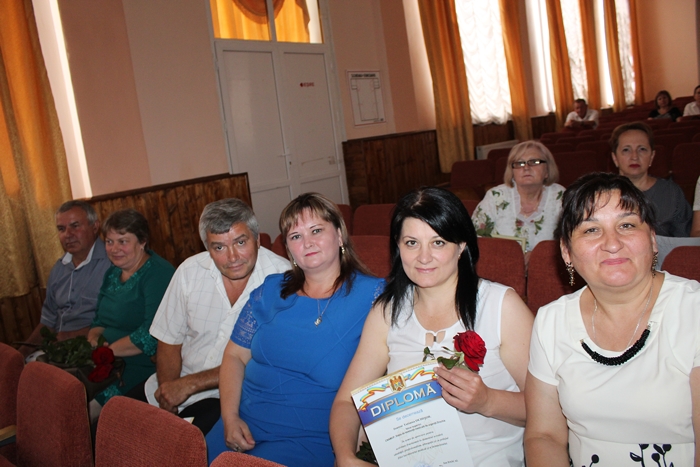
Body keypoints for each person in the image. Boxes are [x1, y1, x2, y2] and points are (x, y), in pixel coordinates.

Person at [330, 187, 534, 467]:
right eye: (411, 243)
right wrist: (345, 456)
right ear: (398, 247)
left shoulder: (502, 306)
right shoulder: (387, 312)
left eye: (438, 243)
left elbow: (550, 409)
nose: (423, 257)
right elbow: (346, 403)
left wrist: (488, 401)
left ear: (461, 246)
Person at [524, 172, 700, 466]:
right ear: (566, 252)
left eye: (627, 225)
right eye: (591, 230)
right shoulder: (551, 320)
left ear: (653, 239)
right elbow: (545, 436)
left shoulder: (693, 309)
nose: (613, 243)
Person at [205, 193, 383, 466]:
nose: (307, 242)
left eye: (316, 230)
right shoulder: (270, 289)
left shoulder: (374, 297)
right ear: (288, 249)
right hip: (240, 426)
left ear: (339, 235)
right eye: (296, 236)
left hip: (308, 439)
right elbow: (234, 356)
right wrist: (230, 418)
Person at [134, 198, 289, 435]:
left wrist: (190, 384)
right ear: (207, 248)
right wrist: (168, 392)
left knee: (181, 446)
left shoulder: (284, 280)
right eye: (219, 248)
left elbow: (266, 361)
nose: (233, 257)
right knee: (110, 426)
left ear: (257, 239)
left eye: (240, 242)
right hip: (172, 387)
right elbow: (169, 340)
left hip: (232, 398)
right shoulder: (189, 271)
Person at [87, 209, 175, 409]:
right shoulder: (112, 273)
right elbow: (98, 321)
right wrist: (93, 340)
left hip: (141, 366)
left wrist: (107, 353)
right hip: (106, 362)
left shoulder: (158, 274)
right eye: (109, 242)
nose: (114, 249)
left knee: (80, 410)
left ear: (142, 241)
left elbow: (151, 334)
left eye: (123, 241)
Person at [18, 200, 111, 359]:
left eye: (75, 226)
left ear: (95, 226)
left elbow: (119, 322)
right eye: (61, 229)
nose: (68, 234)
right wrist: (21, 353)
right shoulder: (59, 268)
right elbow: (47, 322)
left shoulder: (112, 263)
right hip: (56, 351)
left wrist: (68, 336)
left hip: (95, 351)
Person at [471, 141, 565, 263]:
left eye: (534, 162)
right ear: (512, 172)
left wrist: (540, 255)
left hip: (545, 268)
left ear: (547, 170)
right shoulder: (495, 197)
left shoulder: (560, 197)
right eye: (519, 163)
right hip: (501, 266)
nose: (526, 168)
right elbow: (475, 238)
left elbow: (572, 241)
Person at [610, 121, 691, 237]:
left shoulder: (672, 193)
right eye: (626, 150)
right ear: (615, 158)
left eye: (642, 149)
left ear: (652, 156)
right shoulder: (602, 195)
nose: (634, 157)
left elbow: (683, 239)